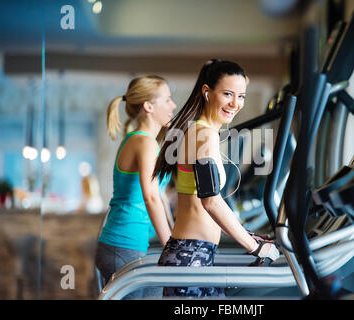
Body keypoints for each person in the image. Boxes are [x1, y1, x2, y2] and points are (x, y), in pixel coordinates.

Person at [152, 59, 280, 297]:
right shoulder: (202, 135)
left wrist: (249, 236)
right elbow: (210, 200)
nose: (236, 103)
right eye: (228, 94)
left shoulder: (202, 132)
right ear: (207, 93)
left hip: (195, 254)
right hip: (190, 256)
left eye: (241, 96)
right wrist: (254, 247)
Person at [95, 75, 176, 299]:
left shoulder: (145, 141)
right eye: (167, 100)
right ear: (148, 106)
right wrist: (170, 246)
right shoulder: (144, 142)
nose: (173, 105)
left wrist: (173, 238)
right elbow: (150, 197)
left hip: (127, 244)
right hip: (123, 245)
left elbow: (158, 197)